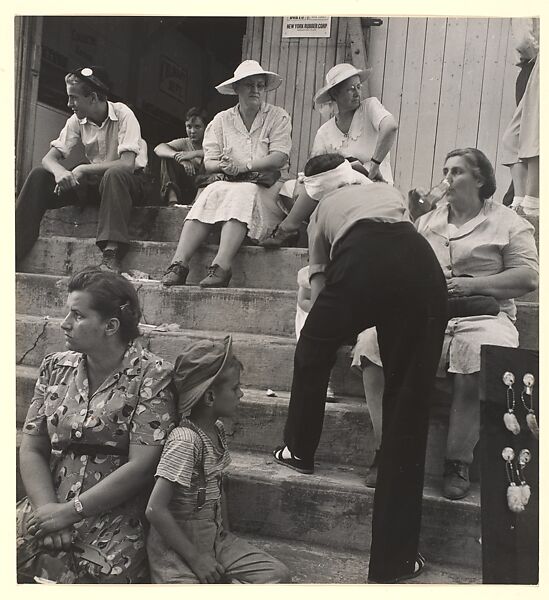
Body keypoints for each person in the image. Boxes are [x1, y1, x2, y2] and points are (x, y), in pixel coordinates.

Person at [272, 153, 448, 583]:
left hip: (360, 258)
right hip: (422, 268)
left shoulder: (319, 217)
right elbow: (398, 251)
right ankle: (396, 561)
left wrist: (338, 320)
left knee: (311, 353)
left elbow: (318, 294)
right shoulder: (385, 192)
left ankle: (298, 450)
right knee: (407, 405)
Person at [354, 148, 539, 499]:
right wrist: (409, 224)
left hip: (485, 313)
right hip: (429, 314)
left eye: (457, 172)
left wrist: (474, 284)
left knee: (476, 350)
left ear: (480, 179)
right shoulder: (428, 221)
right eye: (445, 171)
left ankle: (458, 461)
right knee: (370, 343)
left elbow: (528, 278)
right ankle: (387, 449)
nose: (447, 179)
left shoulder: (509, 222)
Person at [16, 268, 177, 583]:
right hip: (47, 502)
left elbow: (142, 467)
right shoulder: (55, 368)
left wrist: (69, 513)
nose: (65, 323)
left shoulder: (152, 376)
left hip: (113, 514)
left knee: (91, 576)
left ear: (110, 326)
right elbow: (33, 446)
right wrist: (48, 510)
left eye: (77, 315)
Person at [146, 336, 290, 583]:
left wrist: (226, 541)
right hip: (177, 548)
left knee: (278, 575)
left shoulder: (217, 430)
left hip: (213, 538)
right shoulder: (185, 441)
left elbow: (218, 488)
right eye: (235, 388)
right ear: (210, 397)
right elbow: (154, 509)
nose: (241, 393)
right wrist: (196, 559)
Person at [161, 60, 292, 288]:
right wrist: (225, 165)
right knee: (211, 191)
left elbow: (279, 158)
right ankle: (179, 264)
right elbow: (209, 162)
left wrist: (245, 166)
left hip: (266, 188)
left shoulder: (277, 117)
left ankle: (222, 266)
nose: (256, 90)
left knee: (242, 192)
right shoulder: (221, 121)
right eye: (250, 85)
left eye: (260, 85)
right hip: (229, 181)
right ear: (237, 89)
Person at [15, 66, 149, 274]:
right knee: (39, 175)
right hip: (97, 184)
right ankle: (13, 248)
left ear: (93, 97)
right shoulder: (76, 120)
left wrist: (83, 168)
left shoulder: (124, 114)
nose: (69, 104)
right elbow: (48, 159)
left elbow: (127, 164)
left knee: (114, 175)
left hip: (129, 184)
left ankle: (111, 254)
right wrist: (60, 172)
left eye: (74, 98)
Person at [261, 63, 397, 248]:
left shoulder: (370, 107)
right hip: (339, 191)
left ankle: (288, 227)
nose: (357, 93)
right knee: (289, 187)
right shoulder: (325, 132)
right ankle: (321, 230)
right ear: (334, 95)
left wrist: (374, 164)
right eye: (350, 89)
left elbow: (390, 127)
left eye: (358, 87)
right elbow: (313, 170)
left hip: (373, 186)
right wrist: (302, 187)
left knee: (341, 171)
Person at [501, 18, 539, 216]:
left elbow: (524, 41)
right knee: (520, 136)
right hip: (534, 66)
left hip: (536, 67)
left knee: (528, 135)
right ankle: (521, 201)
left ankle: (528, 203)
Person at [154, 106, 208, 206]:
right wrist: (179, 158)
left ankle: (197, 202)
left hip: (204, 191)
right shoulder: (184, 142)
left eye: (197, 127)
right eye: (189, 126)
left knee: (207, 161)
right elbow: (158, 148)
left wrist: (194, 154)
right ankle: (172, 202)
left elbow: (215, 152)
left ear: (206, 127)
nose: (192, 131)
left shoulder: (211, 142)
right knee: (167, 157)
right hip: (186, 188)